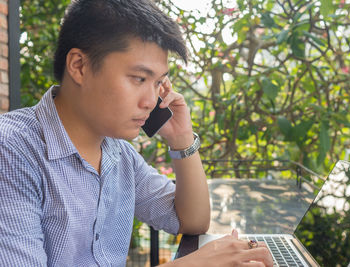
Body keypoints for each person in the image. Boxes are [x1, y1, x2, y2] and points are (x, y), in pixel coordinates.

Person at [0, 0, 273, 266]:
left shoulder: (118, 154)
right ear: (79, 67)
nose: (151, 101)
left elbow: (191, 220)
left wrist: (181, 140)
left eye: (158, 83)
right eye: (139, 79)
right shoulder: (11, 150)